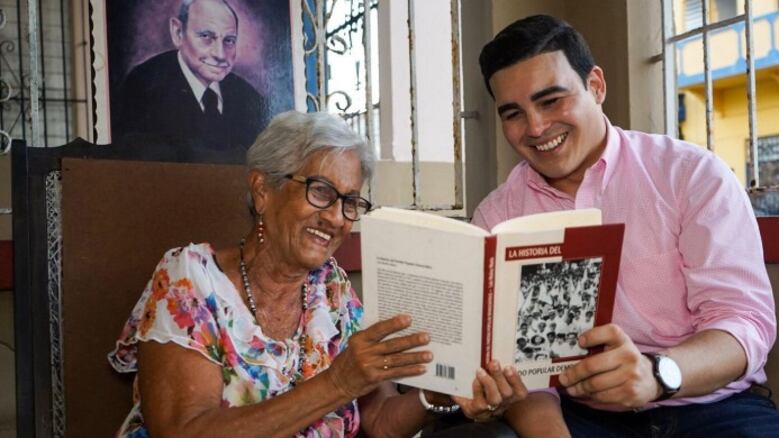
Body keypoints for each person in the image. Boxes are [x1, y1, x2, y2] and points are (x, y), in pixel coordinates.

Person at [109, 111, 526, 436]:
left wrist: (438, 392)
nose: (337, 217)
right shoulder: (190, 280)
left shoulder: (332, 289)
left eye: (350, 201)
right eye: (321, 191)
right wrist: (338, 383)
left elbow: (380, 421)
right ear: (263, 190)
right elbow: (182, 431)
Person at [475, 14, 779, 437]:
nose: (536, 128)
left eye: (551, 101)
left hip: (711, 406)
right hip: (576, 416)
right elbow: (520, 369)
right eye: (513, 114)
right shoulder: (497, 218)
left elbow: (744, 323)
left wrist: (656, 374)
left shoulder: (690, 174)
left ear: (596, 86)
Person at [113, 0, 266, 159]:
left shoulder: (250, 98)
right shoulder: (142, 87)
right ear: (178, 32)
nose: (220, 54)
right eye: (206, 36)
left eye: (229, 40)